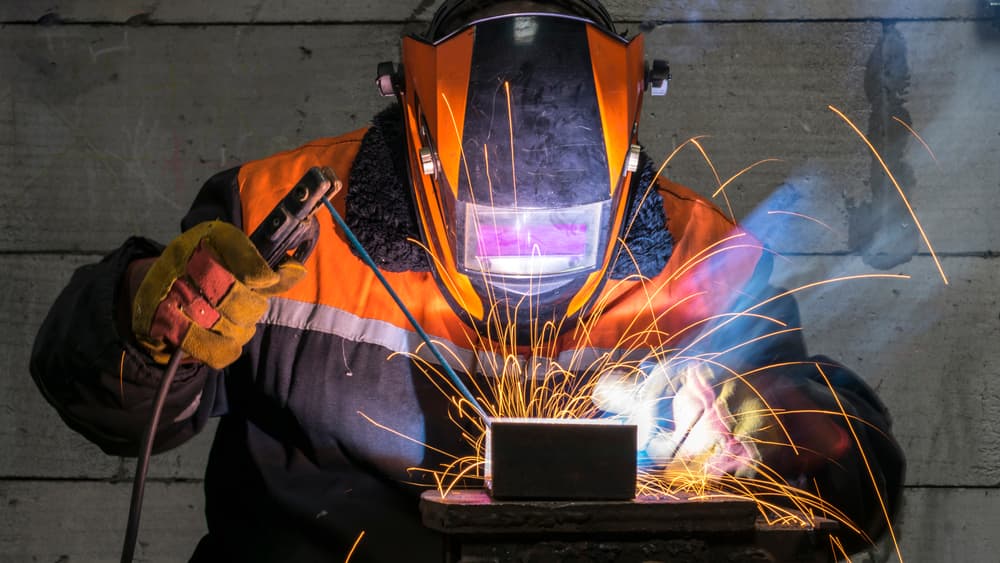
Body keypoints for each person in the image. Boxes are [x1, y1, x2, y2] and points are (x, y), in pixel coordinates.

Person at [30, 1, 904, 561]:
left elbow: (838, 486)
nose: (528, 257)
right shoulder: (281, 218)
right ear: (424, 151)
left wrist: (774, 430)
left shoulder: (702, 262)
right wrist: (143, 314)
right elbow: (112, 408)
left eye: (562, 228)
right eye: (498, 228)